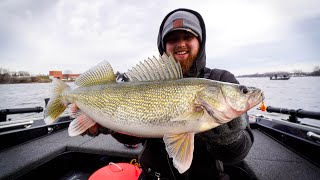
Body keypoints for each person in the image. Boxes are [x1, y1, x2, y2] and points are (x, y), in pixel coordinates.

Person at [83, 8, 254, 180]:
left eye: (188, 37)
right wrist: (107, 125)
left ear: (200, 42)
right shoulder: (148, 83)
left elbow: (240, 152)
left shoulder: (221, 79)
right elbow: (134, 133)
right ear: (164, 46)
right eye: (173, 39)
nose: (180, 44)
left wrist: (230, 139)